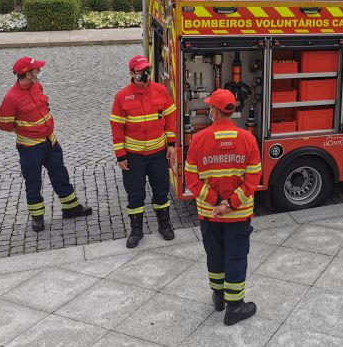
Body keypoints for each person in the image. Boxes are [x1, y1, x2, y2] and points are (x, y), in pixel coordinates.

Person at [184, 88, 262, 326]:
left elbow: (191, 179)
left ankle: (218, 297)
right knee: (236, 258)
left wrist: (216, 202)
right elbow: (253, 177)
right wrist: (231, 203)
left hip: (210, 214)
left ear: (214, 112)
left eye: (210, 107)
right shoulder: (247, 139)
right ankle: (235, 307)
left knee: (215, 256)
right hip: (238, 215)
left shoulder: (198, 139)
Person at [0, 57, 92, 232]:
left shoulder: (36, 86)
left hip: (50, 141)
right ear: (28, 74)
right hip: (30, 147)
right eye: (37, 70)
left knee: (60, 174)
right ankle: (37, 217)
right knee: (33, 181)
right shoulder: (11, 98)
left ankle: (71, 208)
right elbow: (4, 124)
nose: (39, 72)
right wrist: (24, 131)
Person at [110, 55, 177, 248]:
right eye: (141, 71)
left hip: (158, 153)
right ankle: (136, 230)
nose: (146, 74)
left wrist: (171, 144)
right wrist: (120, 156)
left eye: (147, 69)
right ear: (131, 73)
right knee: (135, 194)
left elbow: (170, 117)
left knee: (161, 191)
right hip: (133, 157)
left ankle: (164, 224)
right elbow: (117, 127)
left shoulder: (160, 91)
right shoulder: (122, 96)